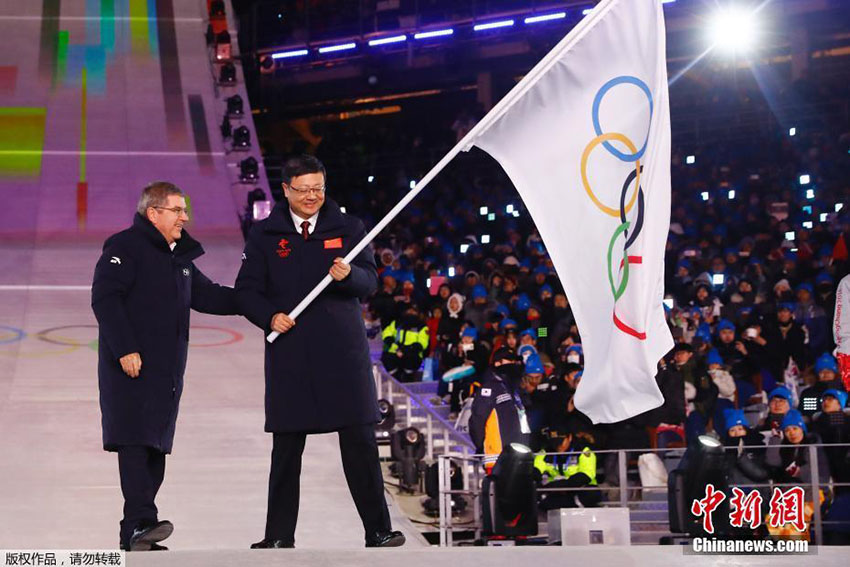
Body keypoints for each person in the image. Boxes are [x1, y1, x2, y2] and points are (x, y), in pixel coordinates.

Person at [235, 155, 404, 548]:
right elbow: (246, 291)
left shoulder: (349, 228)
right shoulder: (264, 235)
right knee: (286, 448)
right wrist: (269, 317)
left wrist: (350, 276)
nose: (312, 196)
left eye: (318, 188)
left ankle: (378, 530)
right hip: (291, 355)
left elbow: (370, 283)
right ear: (286, 189)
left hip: (342, 355)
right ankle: (278, 536)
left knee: (360, 442)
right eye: (304, 189)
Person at [92, 182, 238, 551]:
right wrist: (125, 348)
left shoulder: (179, 259)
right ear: (153, 213)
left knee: (155, 447)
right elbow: (106, 298)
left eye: (185, 211)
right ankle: (142, 520)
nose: (185, 218)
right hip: (131, 368)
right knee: (135, 442)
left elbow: (209, 296)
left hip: (166, 371)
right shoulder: (124, 247)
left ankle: (135, 531)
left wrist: (258, 300)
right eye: (177, 210)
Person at [468, 347, 530, 473]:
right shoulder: (489, 389)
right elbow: (477, 421)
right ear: (498, 363)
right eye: (510, 361)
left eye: (515, 361)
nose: (514, 364)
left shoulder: (514, 389)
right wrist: (483, 446)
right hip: (497, 456)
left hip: (520, 453)